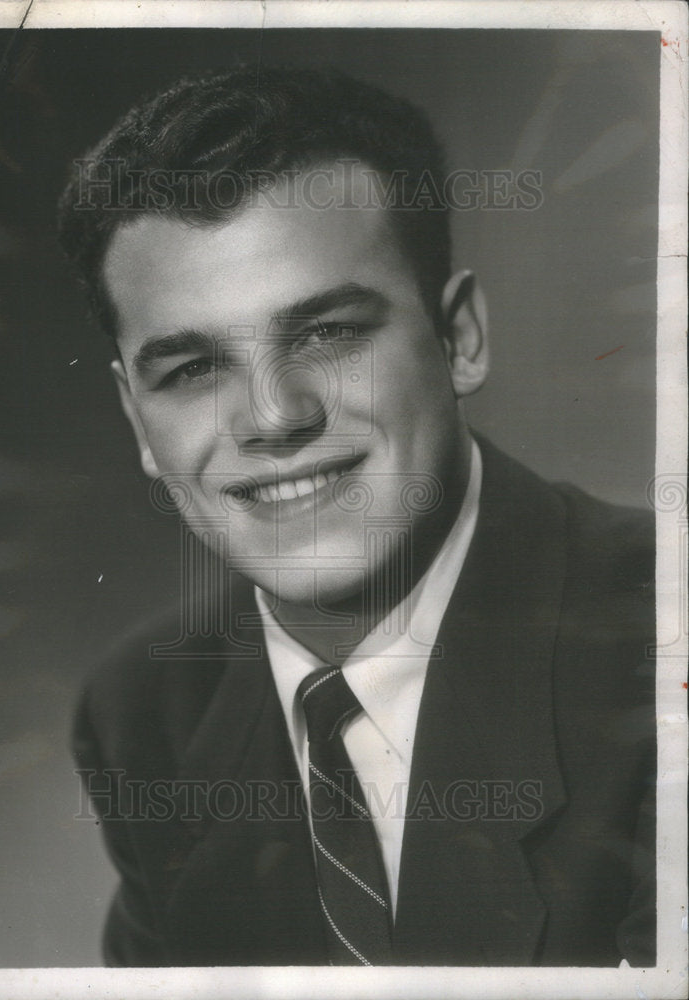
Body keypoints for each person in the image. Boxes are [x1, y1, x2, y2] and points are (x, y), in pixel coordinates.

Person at [58, 66, 655, 968]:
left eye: (328, 332)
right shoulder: (143, 714)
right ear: (138, 419)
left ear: (459, 339)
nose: (273, 416)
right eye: (192, 370)